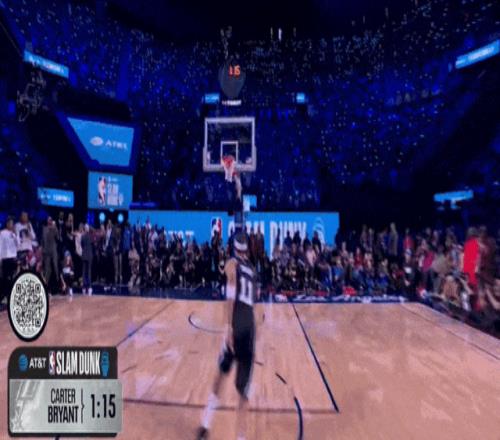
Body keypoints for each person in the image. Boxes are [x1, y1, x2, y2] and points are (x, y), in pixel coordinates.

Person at [197, 233, 257, 440]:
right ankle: (241, 437)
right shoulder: (253, 270)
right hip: (250, 330)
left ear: (234, 248)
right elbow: (253, 303)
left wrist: (228, 327)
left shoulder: (233, 264)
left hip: (237, 326)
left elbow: (231, 294)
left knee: (221, 375)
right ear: (247, 249)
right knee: (244, 392)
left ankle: (206, 424)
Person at [0, 217, 19, 303]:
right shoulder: (2, 233)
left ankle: (12, 296)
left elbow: (18, 244)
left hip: (13, 258)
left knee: (13, 278)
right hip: (6, 258)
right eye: (10, 223)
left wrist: (15, 235)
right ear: (7, 224)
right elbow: (0, 245)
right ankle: (5, 296)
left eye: (12, 223)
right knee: (6, 278)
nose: (11, 225)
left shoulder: (14, 234)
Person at [42, 216, 60, 293]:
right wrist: (42, 249)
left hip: (53, 250)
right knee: (47, 269)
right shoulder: (44, 229)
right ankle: (45, 286)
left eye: (51, 220)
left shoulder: (54, 228)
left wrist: (55, 229)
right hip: (46, 251)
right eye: (48, 219)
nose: (49, 221)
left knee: (55, 266)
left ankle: (58, 283)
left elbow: (58, 238)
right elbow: (43, 239)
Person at [81, 224, 93, 295]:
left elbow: (82, 245)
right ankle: (89, 287)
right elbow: (92, 244)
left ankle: (84, 288)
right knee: (88, 272)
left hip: (84, 255)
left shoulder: (83, 236)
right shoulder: (90, 236)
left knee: (84, 272)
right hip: (89, 256)